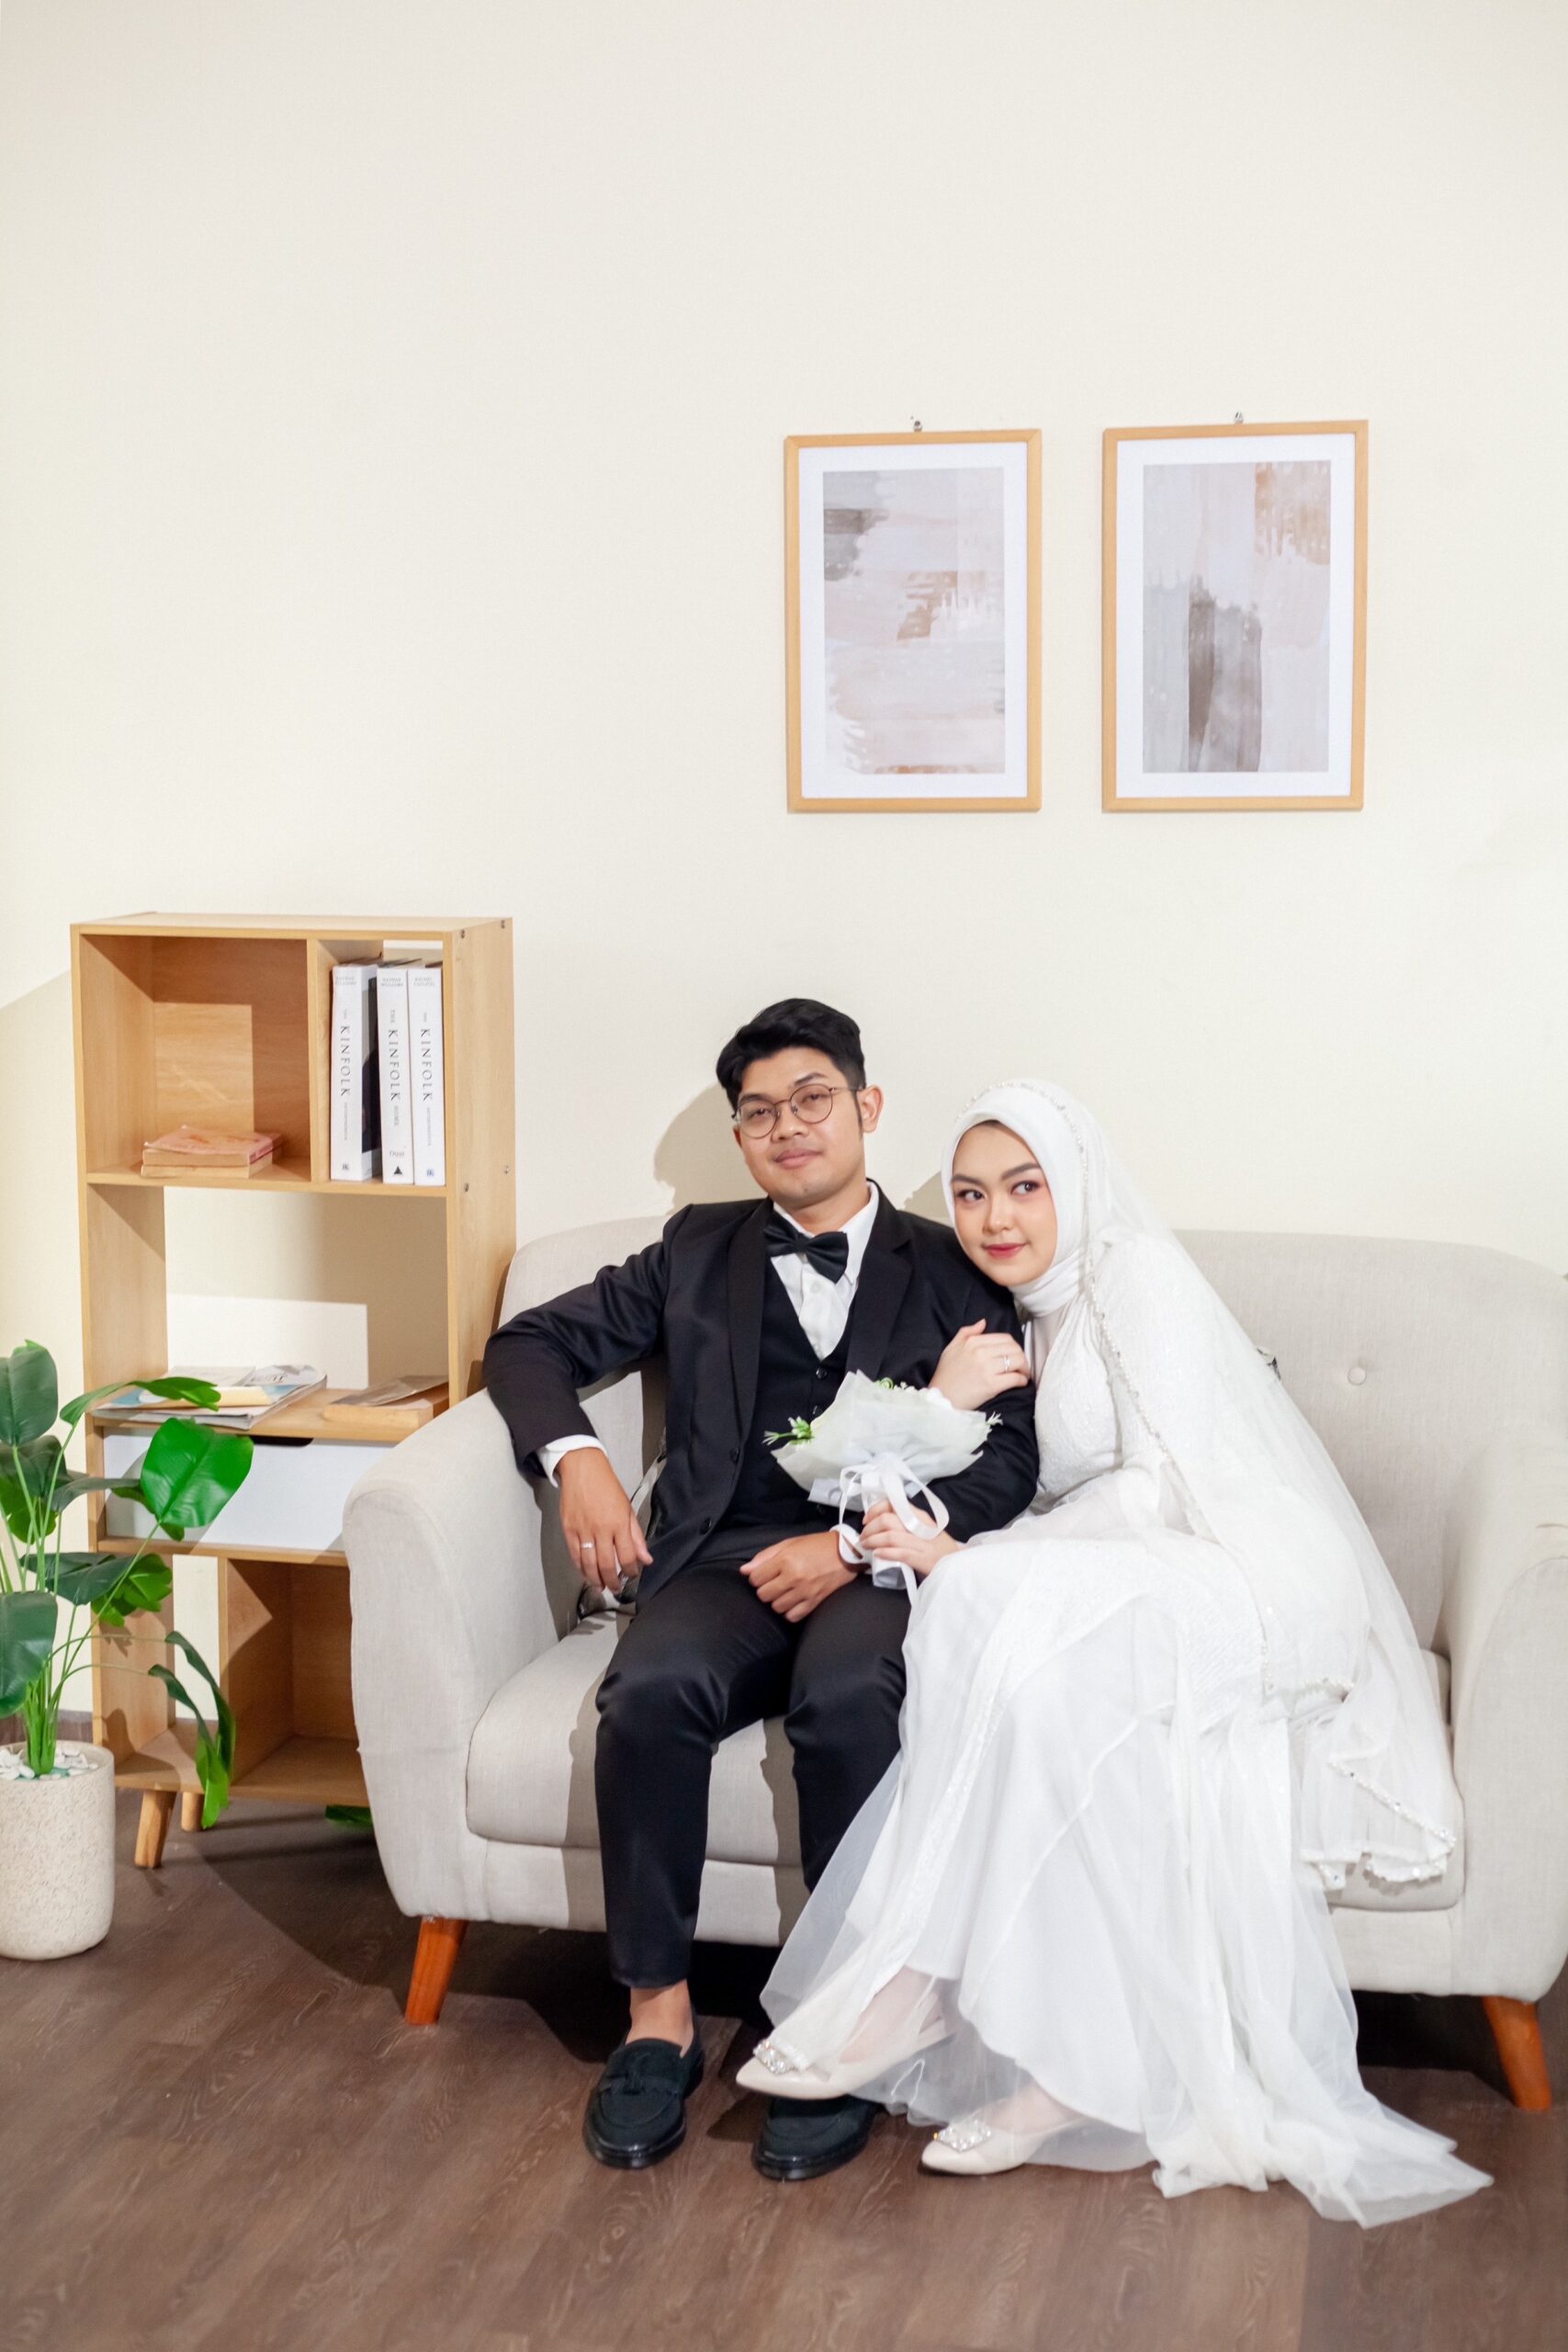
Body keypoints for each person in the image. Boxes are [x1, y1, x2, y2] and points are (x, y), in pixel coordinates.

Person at [739, 1081, 1491, 2224]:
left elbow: (1161, 1488)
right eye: (971, 1194)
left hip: (1246, 1574)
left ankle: (919, 1981)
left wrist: (981, 1559)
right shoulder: (1022, 1315)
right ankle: (1062, 2072)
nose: (996, 1218)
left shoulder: (1135, 1276)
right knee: (1017, 1669)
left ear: (1077, 1185)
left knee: (977, 1595)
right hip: (1144, 1572)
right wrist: (950, 1456)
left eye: (1025, 1187)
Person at [482, 1006, 1039, 2181]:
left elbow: (1007, 1458)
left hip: (877, 1562)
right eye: (760, 1111)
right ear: (740, 1136)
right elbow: (529, 1344)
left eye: (813, 1099)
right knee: (649, 1690)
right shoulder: (696, 1248)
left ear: (867, 1107)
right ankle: (658, 2020)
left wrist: (854, 1543)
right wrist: (579, 1461)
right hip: (722, 1558)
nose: (789, 1127)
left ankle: (844, 2026)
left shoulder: (955, 1260)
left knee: (851, 1700)